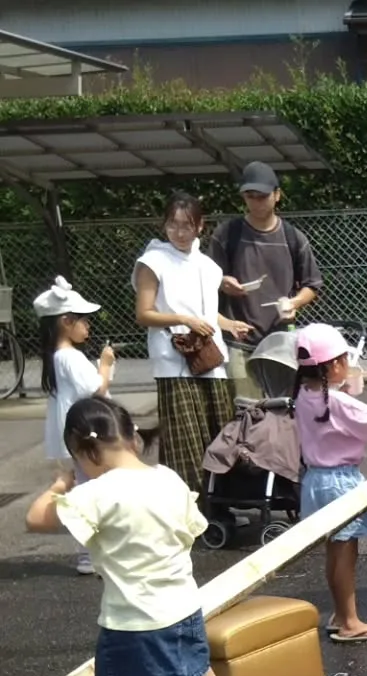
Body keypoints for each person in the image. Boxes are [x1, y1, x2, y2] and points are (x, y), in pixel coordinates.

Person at [24, 397, 263, 676]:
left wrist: (60, 485)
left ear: (87, 453)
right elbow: (190, 530)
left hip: (142, 617)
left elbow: (36, 519)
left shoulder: (94, 494)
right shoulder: (167, 478)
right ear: (133, 438)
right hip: (185, 605)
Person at [133, 192, 254, 490]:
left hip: (210, 359)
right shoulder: (153, 261)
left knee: (219, 433)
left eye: (187, 225)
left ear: (201, 226)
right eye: (173, 225)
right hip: (174, 363)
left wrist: (229, 325)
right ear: (164, 226)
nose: (179, 232)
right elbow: (144, 314)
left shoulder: (208, 266)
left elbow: (207, 315)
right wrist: (184, 320)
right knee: (184, 439)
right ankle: (191, 508)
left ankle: (221, 502)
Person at [290, 323, 367, 643]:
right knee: (346, 553)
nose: (348, 364)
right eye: (344, 359)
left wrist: (345, 390)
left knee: (334, 551)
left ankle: (339, 613)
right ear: (334, 366)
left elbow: (332, 411)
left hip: (315, 481)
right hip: (340, 483)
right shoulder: (338, 403)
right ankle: (350, 622)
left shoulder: (305, 395)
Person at [33, 276, 115, 575]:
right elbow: (95, 388)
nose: (87, 326)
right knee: (94, 490)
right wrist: (105, 364)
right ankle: (90, 555)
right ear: (67, 321)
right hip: (85, 432)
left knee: (86, 488)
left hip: (73, 433)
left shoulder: (56, 356)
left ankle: (89, 554)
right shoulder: (70, 356)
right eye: (83, 321)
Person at [209, 162, 323, 341]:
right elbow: (205, 279)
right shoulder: (226, 234)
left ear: (277, 195)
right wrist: (222, 282)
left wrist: (294, 303)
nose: (256, 202)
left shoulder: (293, 237)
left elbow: (312, 284)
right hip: (237, 337)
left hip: (282, 337)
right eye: (250, 196)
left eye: (262, 196)